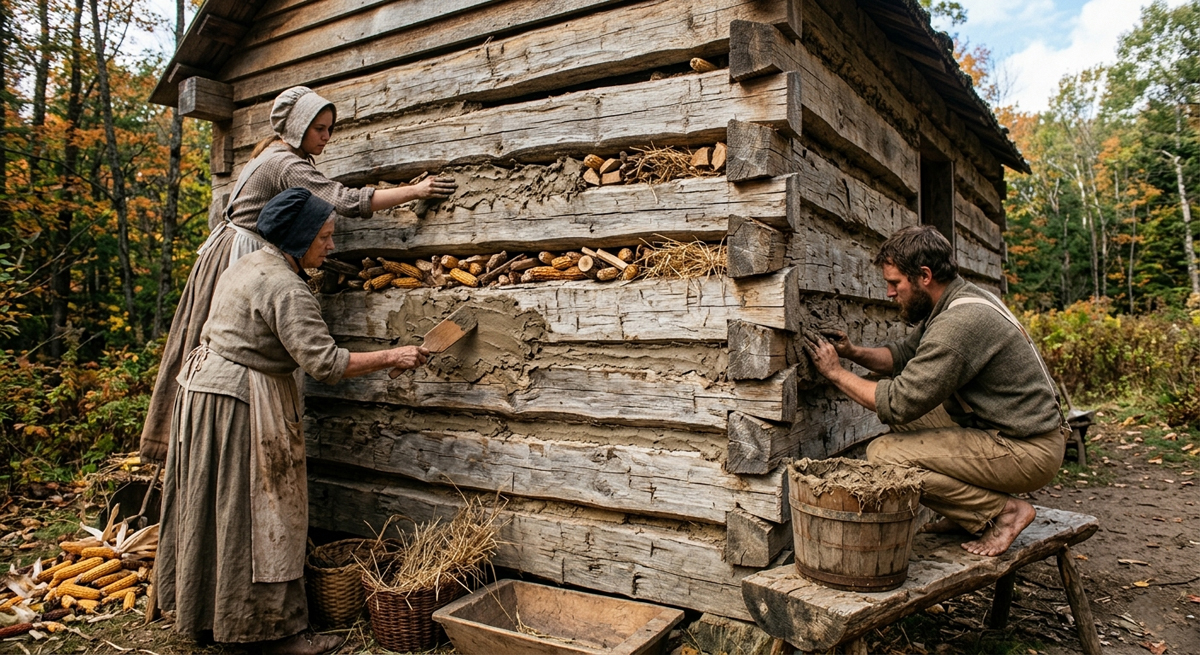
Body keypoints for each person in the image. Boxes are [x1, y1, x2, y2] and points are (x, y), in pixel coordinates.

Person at [157, 188, 427, 654]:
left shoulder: (250, 263)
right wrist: (393, 356)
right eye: (325, 238)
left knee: (215, 508)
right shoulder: (285, 287)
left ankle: (208, 616)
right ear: (299, 240)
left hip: (203, 390)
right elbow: (324, 363)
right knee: (260, 515)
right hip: (238, 402)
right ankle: (271, 634)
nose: (332, 246)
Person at [139, 85, 456, 463]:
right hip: (244, 253)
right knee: (239, 346)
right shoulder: (284, 163)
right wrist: (415, 190)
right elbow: (343, 201)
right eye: (319, 129)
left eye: (330, 129)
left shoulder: (275, 154)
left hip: (235, 250)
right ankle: (215, 438)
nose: (326, 137)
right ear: (297, 128)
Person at [803, 225, 1067, 557]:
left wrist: (835, 373)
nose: (889, 293)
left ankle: (1003, 513)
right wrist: (853, 352)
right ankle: (967, 517)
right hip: (1007, 430)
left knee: (884, 455)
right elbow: (901, 357)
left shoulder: (960, 323)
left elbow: (899, 402)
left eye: (895, 283)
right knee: (909, 426)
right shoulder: (957, 299)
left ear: (924, 276)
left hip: (1028, 450)